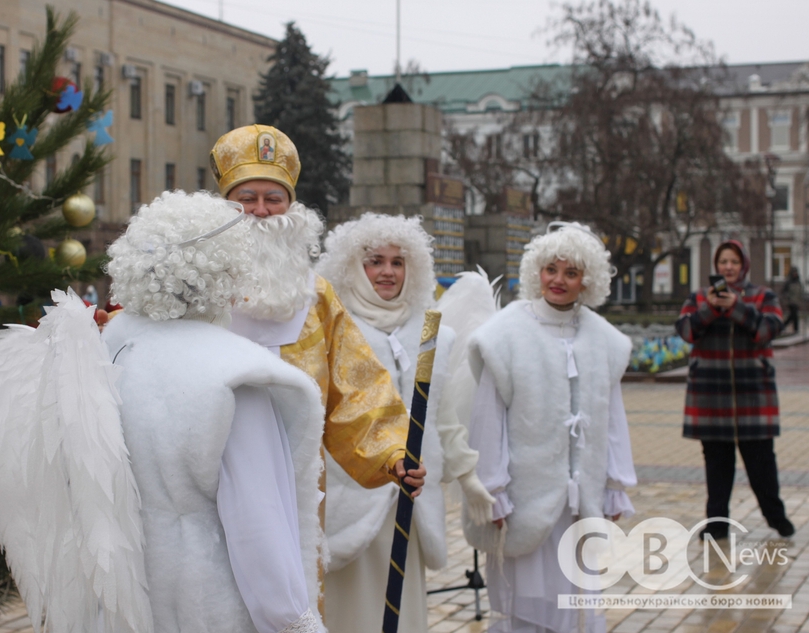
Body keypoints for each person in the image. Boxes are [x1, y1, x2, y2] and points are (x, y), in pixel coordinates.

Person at [0, 191, 325, 633]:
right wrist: (297, 623)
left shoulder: (106, 348)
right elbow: (259, 529)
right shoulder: (236, 376)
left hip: (121, 594)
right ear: (227, 274)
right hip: (207, 601)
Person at [209, 124, 425, 501]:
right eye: (247, 197)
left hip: (297, 479)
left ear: (292, 207)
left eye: (274, 198)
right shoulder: (198, 284)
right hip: (213, 468)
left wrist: (391, 454)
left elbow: (355, 385)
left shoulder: (316, 295)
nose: (261, 211)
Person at [315, 214, 496, 633]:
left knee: (402, 615)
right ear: (351, 266)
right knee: (350, 612)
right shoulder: (332, 327)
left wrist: (467, 477)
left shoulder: (431, 332)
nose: (387, 272)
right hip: (350, 497)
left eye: (398, 262)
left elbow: (441, 417)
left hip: (410, 499)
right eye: (375, 260)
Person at [463, 222, 636, 633]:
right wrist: (493, 489)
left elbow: (611, 416)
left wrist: (615, 482)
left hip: (580, 499)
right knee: (528, 597)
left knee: (574, 594)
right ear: (536, 271)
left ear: (586, 280)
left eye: (571, 273)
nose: (558, 280)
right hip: (525, 493)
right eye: (551, 269)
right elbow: (489, 418)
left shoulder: (604, 339)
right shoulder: (505, 334)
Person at [676, 239, 794, 540]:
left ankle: (775, 516)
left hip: (753, 396)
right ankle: (716, 525)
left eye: (734, 262)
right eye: (723, 262)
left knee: (762, 464)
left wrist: (737, 308)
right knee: (717, 466)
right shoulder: (699, 297)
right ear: (716, 267)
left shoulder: (762, 296)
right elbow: (686, 330)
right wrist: (711, 310)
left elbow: (769, 330)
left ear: (744, 266)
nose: (728, 267)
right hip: (711, 396)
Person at [781, 266, 802, 334]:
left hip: (796, 302)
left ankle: (782, 326)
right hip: (791, 302)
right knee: (794, 315)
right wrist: (787, 298)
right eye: (794, 272)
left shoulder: (798, 282)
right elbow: (784, 292)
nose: (795, 274)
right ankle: (796, 329)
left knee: (792, 316)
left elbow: (800, 292)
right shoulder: (789, 282)